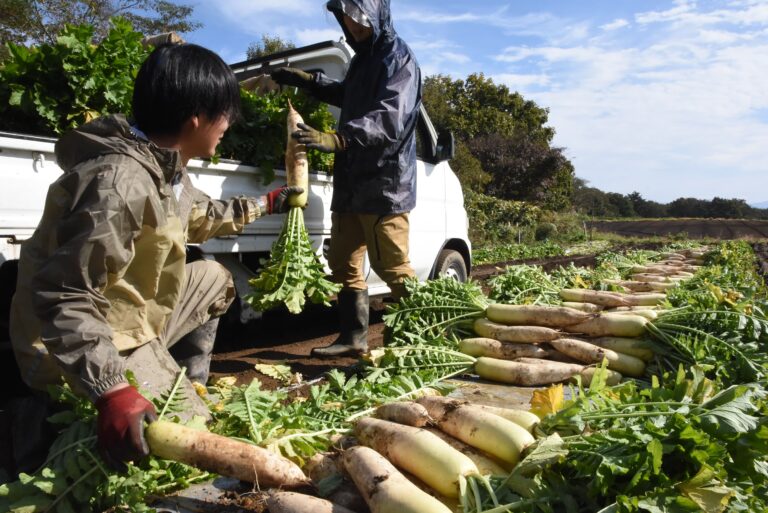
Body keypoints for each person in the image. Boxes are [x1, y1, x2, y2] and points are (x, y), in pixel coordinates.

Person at [9, 43, 302, 471]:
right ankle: (45, 419)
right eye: (224, 113)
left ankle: (181, 380)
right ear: (195, 117)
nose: (229, 124)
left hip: (132, 318)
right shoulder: (120, 183)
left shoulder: (166, 167)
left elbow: (201, 215)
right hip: (69, 343)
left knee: (214, 278)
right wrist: (112, 389)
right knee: (189, 448)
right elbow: (65, 294)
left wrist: (266, 203)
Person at [271, 0, 422, 357]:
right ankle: (353, 337)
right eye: (347, 21)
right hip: (352, 181)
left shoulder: (399, 59)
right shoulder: (362, 60)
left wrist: (338, 138)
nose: (353, 29)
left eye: (359, 21)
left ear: (377, 16)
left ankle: (418, 338)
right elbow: (347, 95)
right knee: (344, 262)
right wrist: (311, 82)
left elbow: (389, 118)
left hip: (385, 183)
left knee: (393, 268)